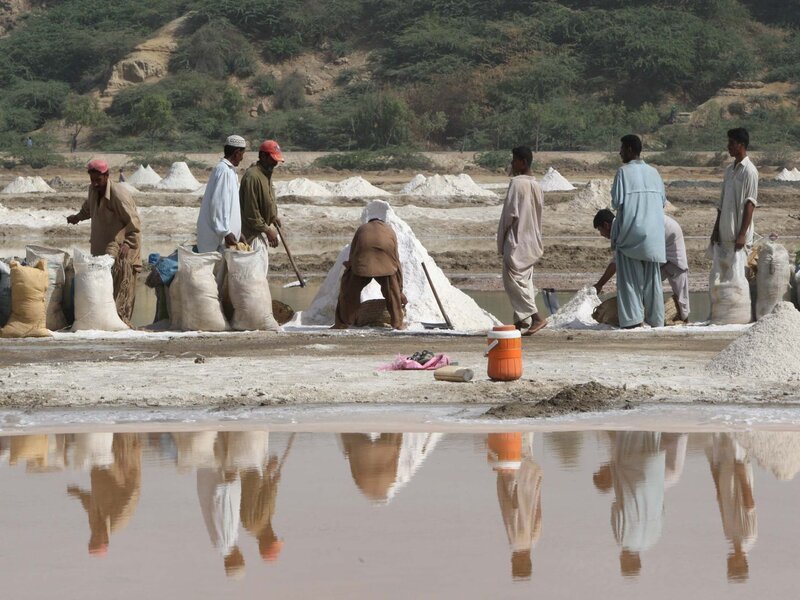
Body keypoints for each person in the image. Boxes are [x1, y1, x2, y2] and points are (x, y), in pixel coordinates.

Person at [66, 159, 142, 324]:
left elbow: (134, 224)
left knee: (122, 294)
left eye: (98, 180)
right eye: (92, 180)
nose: (94, 184)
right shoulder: (93, 190)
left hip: (122, 252)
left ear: (107, 176)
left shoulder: (119, 196)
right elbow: (88, 208)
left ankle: (123, 326)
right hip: (101, 253)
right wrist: (77, 218)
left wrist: (128, 243)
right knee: (103, 294)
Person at [610, 134, 667, 328]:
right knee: (653, 282)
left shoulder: (623, 172)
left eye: (622, 148)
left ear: (629, 150)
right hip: (655, 235)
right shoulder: (655, 173)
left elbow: (617, 202)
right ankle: (656, 320)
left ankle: (633, 321)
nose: (620, 152)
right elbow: (662, 202)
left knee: (629, 281)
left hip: (632, 234)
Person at [593, 209, 690, 323]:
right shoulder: (619, 227)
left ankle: (684, 318)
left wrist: (599, 285)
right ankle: (653, 315)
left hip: (668, 234)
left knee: (678, 275)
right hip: (658, 236)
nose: (601, 234)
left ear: (606, 225)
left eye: (600, 230)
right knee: (648, 281)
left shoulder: (620, 229)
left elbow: (616, 263)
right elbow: (618, 260)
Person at [497, 146, 545, 335]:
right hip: (532, 240)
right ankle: (520, 320)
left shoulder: (517, 183)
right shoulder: (536, 185)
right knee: (524, 281)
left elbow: (509, 215)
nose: (511, 164)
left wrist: (501, 241)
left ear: (522, 162)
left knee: (512, 281)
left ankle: (536, 318)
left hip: (518, 240)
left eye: (514, 160)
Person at [333, 216, 407, 330]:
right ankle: (398, 323)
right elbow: (395, 258)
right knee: (393, 292)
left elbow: (353, 251)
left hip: (363, 261)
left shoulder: (362, 228)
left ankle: (342, 323)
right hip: (386, 262)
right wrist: (400, 289)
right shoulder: (389, 230)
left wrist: (350, 269)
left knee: (348, 291)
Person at [706, 433, 757, 582]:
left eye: (730, 568)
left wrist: (715, 474)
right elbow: (749, 504)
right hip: (738, 471)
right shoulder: (748, 538)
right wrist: (741, 474)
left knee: (719, 434)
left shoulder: (730, 537)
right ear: (745, 564)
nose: (729, 564)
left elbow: (722, 503)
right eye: (735, 567)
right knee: (736, 434)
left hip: (726, 475)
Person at [196, 134, 248, 253]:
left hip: (224, 236)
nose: (242, 158)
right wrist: (226, 232)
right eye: (242, 154)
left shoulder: (229, 171)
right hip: (217, 240)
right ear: (236, 152)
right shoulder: (224, 171)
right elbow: (219, 205)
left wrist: (238, 232)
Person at [711, 128, 758, 254]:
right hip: (724, 237)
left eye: (731, 143)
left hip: (739, 240)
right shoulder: (728, 171)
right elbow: (721, 205)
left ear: (741, 145)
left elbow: (750, 204)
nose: (728, 146)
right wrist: (715, 231)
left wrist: (742, 235)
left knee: (739, 273)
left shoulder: (750, 171)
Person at [240, 139, 284, 250]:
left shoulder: (266, 174)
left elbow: (266, 200)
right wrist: (268, 230)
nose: (275, 163)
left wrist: (273, 216)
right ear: (263, 156)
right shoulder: (253, 177)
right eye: (273, 159)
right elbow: (251, 212)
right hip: (250, 235)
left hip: (258, 231)